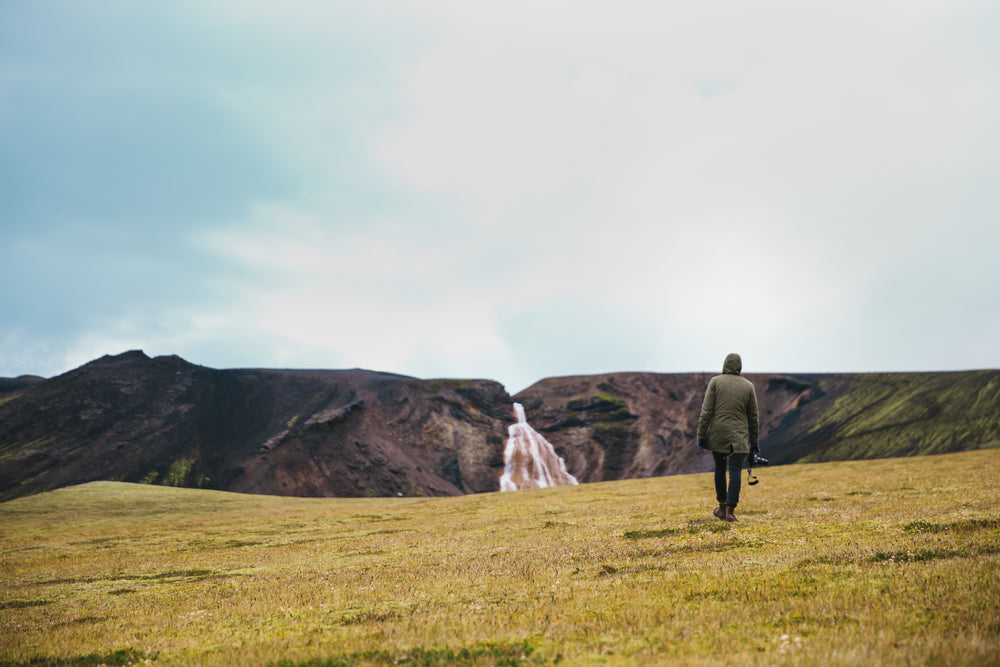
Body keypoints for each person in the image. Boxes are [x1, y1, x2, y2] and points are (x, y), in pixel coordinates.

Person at [696, 353, 760, 522]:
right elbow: (753, 417)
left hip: (718, 435)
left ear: (725, 364)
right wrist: (754, 442)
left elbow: (706, 411)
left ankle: (722, 506)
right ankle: (731, 510)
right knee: (735, 472)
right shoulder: (748, 386)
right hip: (739, 437)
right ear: (739, 366)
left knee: (719, 468)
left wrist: (701, 435)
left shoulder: (715, 382)